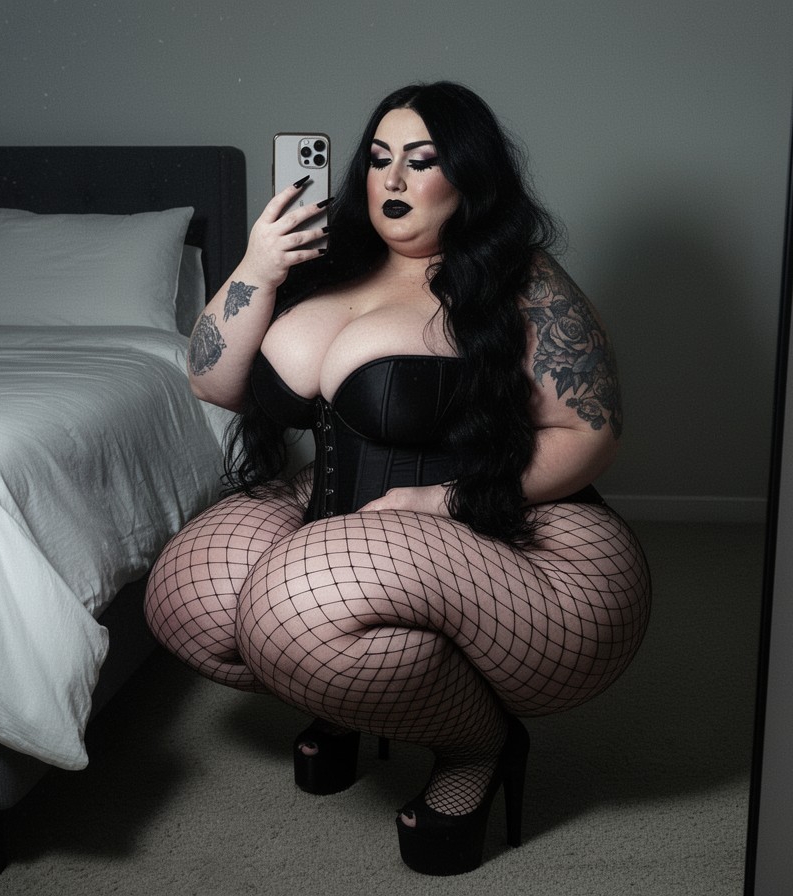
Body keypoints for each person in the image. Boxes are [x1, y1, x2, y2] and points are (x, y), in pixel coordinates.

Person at [145, 81, 651, 876]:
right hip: (343, 520)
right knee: (187, 604)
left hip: (506, 534)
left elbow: (592, 433)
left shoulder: (519, 278)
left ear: (470, 176)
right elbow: (213, 379)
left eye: (422, 160)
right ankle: (355, 694)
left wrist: (450, 498)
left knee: (293, 612)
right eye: (380, 158)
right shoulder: (328, 263)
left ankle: (475, 746)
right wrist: (258, 266)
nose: (393, 178)